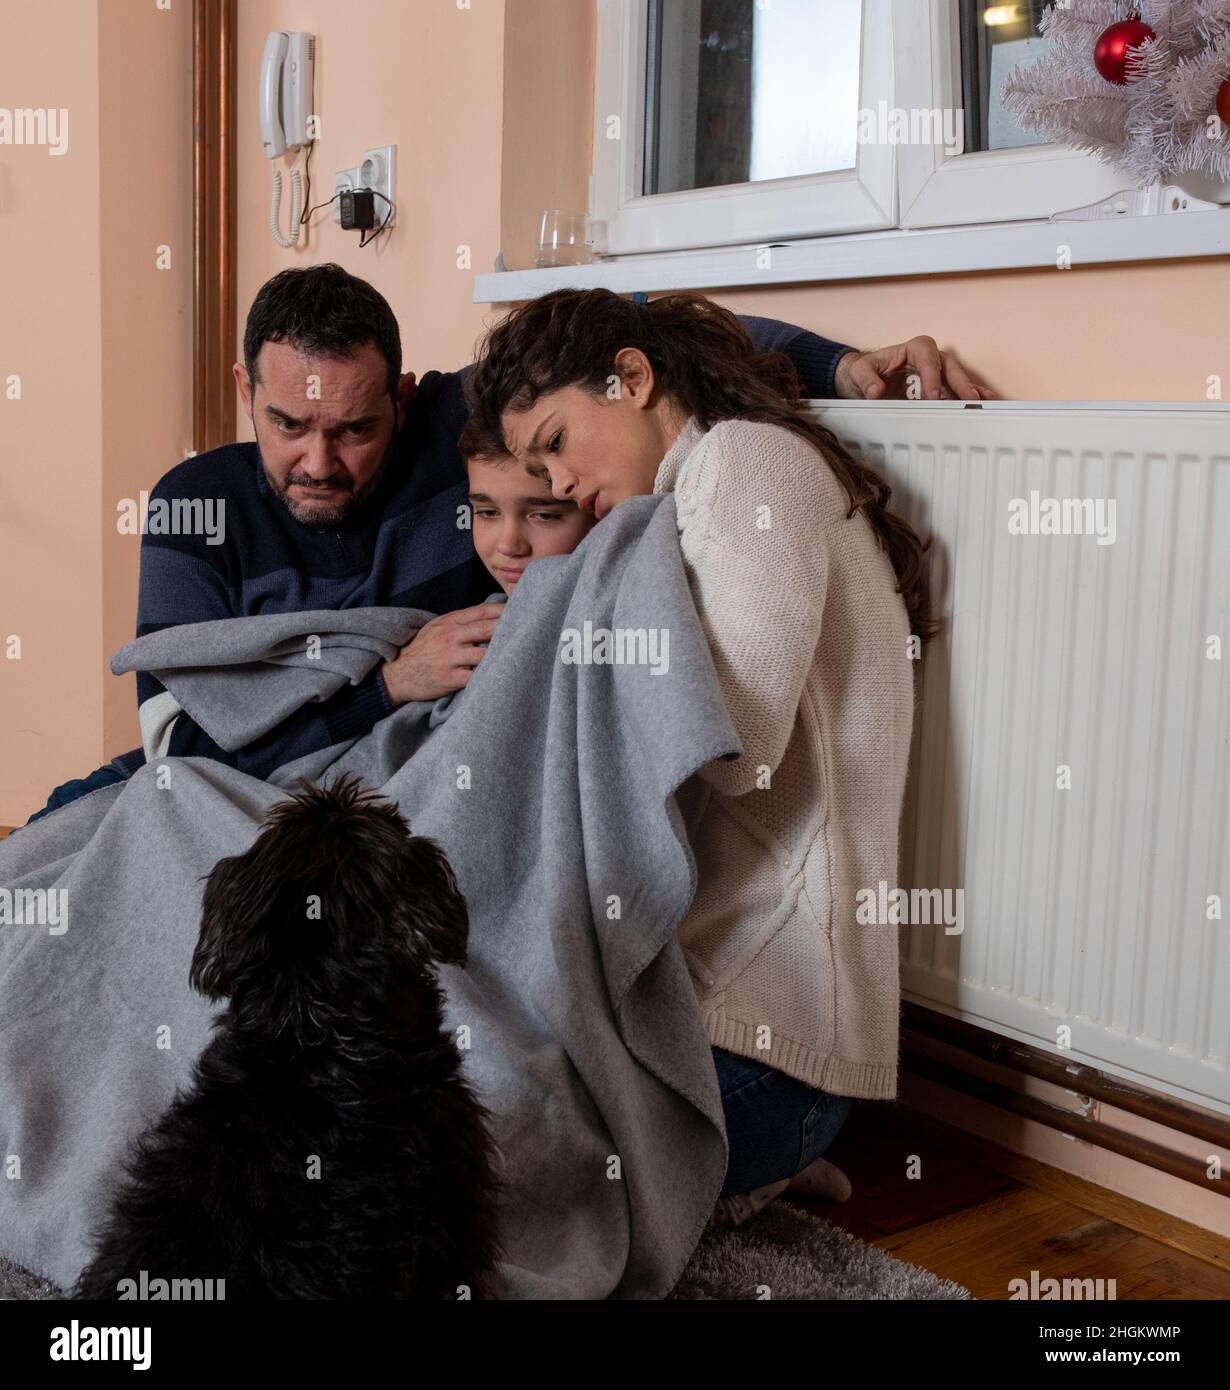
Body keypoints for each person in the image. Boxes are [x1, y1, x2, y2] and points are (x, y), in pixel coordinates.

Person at [23, 265, 988, 823]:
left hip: (394, 788)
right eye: (287, 425)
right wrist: (385, 682)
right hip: (228, 779)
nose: (319, 461)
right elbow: (179, 744)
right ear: (245, 393)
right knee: (63, 833)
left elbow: (653, 336)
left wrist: (841, 365)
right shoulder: (197, 504)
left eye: (356, 430)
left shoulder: (467, 418)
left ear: (405, 398)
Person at [465, 288, 938, 1223]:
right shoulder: (697, 484)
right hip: (716, 1019)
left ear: (632, 377)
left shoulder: (747, 463)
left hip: (771, 1057)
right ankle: (744, 1178)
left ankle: (746, 1171)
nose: (556, 485)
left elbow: (734, 742)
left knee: (473, 1177)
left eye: (555, 442)